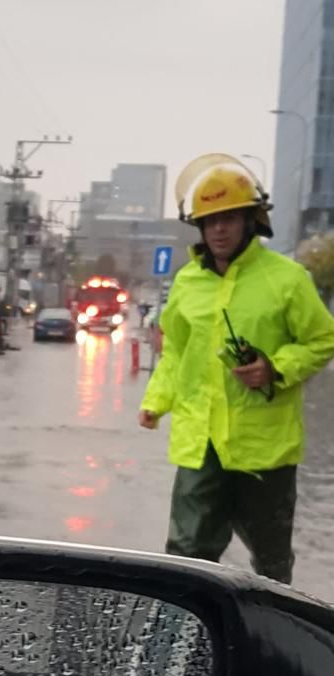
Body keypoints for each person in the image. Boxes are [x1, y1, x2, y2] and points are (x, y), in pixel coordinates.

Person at [139, 154, 334, 584]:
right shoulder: (188, 283)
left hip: (263, 450)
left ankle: (269, 642)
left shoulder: (287, 279)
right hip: (200, 444)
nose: (219, 229)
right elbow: (176, 352)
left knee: (271, 562)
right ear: (200, 227)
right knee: (184, 555)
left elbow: (324, 339)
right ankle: (179, 639)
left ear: (251, 220)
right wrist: (156, 401)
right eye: (210, 221)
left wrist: (275, 368)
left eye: (229, 218)